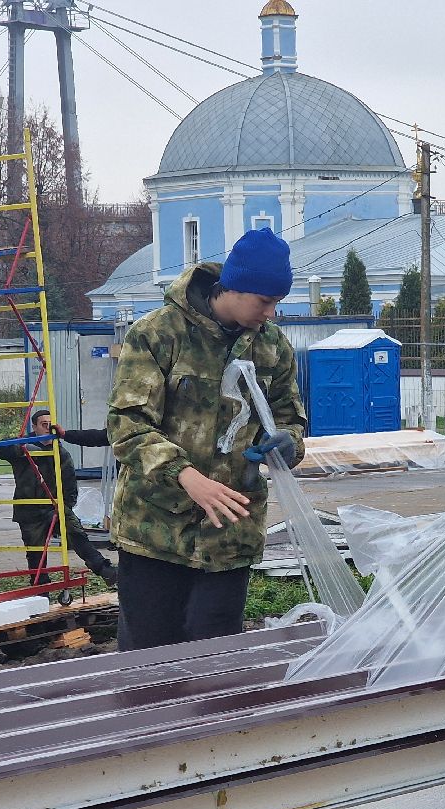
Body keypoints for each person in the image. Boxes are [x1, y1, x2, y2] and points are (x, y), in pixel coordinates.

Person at [107, 227, 307, 651]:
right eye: (265, 301)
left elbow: (291, 419)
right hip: (156, 530)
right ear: (234, 287)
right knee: (149, 658)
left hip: (230, 533)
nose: (270, 313)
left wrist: (288, 443)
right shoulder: (158, 334)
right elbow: (127, 426)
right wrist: (185, 476)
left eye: (277, 303)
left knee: (218, 662)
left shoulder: (272, 347)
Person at [0, 408, 118, 588]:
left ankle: (104, 570)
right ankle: (40, 588)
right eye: (43, 425)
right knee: (36, 553)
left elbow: (70, 484)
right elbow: (0, 449)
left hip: (55, 507)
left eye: (50, 425)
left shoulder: (60, 453)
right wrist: (17, 445)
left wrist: (65, 507)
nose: (47, 429)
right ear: (34, 427)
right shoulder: (23, 449)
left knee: (78, 534)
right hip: (29, 509)